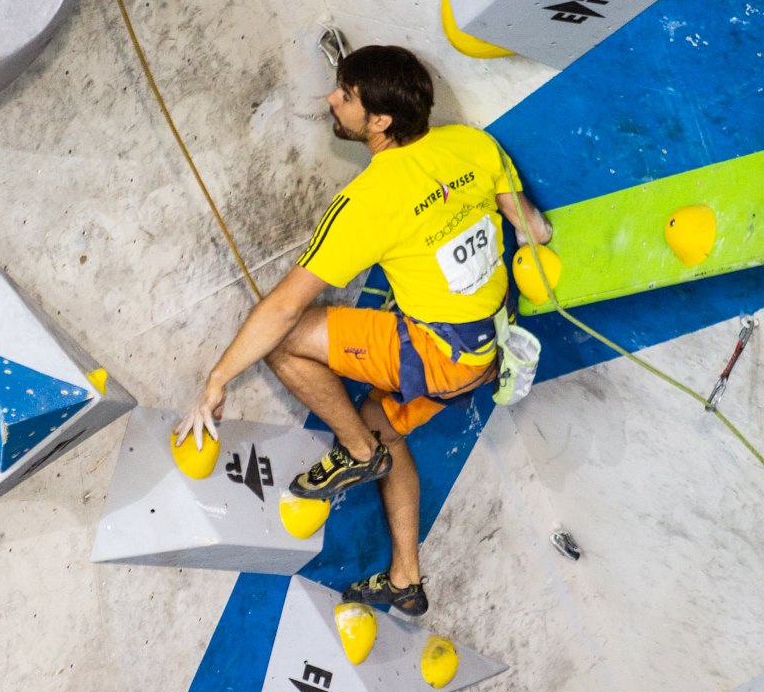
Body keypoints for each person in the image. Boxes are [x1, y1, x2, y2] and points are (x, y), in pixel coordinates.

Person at [174, 44, 551, 616]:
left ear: (379, 121)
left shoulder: (368, 201)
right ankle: (405, 579)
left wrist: (217, 379)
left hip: (439, 355)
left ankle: (355, 453)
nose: (331, 100)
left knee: (285, 340)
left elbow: (281, 308)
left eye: (345, 96)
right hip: (489, 349)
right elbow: (534, 228)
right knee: (382, 424)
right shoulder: (472, 144)